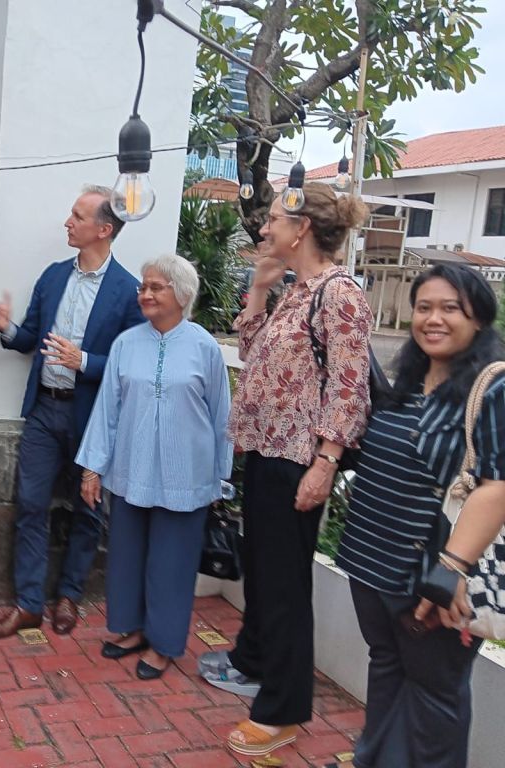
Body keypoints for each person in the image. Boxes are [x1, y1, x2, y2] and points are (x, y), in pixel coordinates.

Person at [200, 183, 372, 757]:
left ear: (302, 229)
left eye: (274, 219)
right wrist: (258, 289)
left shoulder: (339, 293)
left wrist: (326, 463)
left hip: (300, 460)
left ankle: (283, 710)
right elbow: (252, 350)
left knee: (285, 587)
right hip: (268, 452)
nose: (265, 227)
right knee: (265, 573)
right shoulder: (300, 291)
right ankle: (258, 664)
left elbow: (349, 388)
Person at [335, 264, 505, 768]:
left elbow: (497, 486)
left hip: (432, 577)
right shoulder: (407, 383)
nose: (434, 319)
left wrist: (450, 570)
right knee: (386, 668)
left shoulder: (493, 388)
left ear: (479, 319)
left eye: (451, 308)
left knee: (435, 694)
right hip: (372, 563)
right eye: (424, 307)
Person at [0, 185, 143, 640]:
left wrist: (84, 361)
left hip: (92, 419)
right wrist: (7, 329)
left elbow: (131, 364)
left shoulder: (128, 291)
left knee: (87, 511)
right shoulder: (53, 277)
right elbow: (30, 337)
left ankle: (69, 595)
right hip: (43, 412)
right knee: (31, 506)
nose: (67, 223)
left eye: (77, 216)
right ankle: (29, 604)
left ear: (104, 229)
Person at [76, 254, 232, 679]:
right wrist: (92, 468)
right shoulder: (126, 344)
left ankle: (163, 644)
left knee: (171, 563)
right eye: (143, 287)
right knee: (127, 556)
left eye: (155, 287)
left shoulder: (204, 347)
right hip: (132, 469)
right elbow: (107, 410)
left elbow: (222, 416)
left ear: (181, 294)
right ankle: (133, 629)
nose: (144, 294)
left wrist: (221, 477)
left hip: (187, 476)